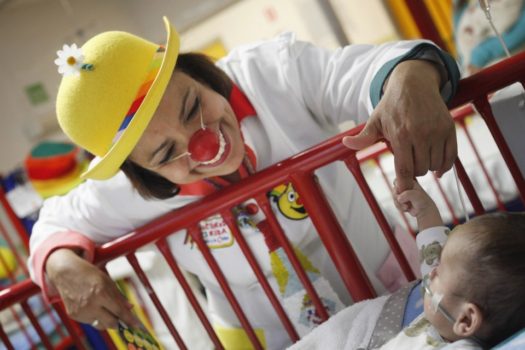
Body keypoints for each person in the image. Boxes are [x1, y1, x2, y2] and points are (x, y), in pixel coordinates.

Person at [29, 17, 460, 349]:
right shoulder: (126, 192)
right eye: (164, 155)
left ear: (198, 72)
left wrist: (410, 75)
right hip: (272, 338)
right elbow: (52, 226)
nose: (203, 144)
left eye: (193, 105)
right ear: (144, 173)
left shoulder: (271, 72)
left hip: (392, 284)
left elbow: (363, 71)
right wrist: (60, 263)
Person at [289, 182, 525, 349]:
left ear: (466, 320)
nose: (431, 271)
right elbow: (434, 251)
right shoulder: (449, 303)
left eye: (439, 272)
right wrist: (424, 211)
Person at [454, 0, 525, 75]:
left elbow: (517, 35)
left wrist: (480, 55)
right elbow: (459, 15)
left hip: (491, 64)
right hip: (465, 62)